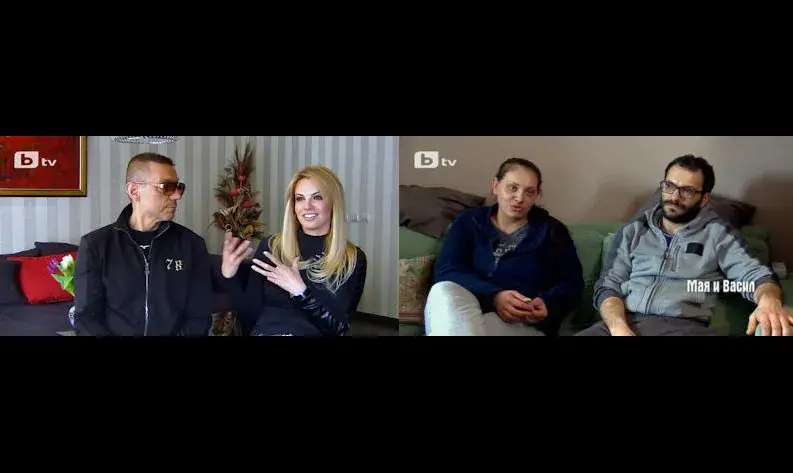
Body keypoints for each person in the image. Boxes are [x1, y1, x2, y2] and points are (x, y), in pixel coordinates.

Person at [578, 154, 792, 336]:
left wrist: (769, 301)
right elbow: (608, 287)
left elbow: (756, 277)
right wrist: (619, 328)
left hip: (683, 328)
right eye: (669, 186)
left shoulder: (718, 235)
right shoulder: (633, 231)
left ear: (704, 199)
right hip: (620, 326)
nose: (674, 197)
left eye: (687, 191)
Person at [424, 157, 584, 336]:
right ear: (495, 186)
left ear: (536, 195)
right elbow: (446, 270)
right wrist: (495, 296)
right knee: (443, 290)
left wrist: (548, 303)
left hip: (520, 323)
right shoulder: (469, 222)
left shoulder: (552, 231)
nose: (520, 198)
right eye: (512, 188)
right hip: (465, 312)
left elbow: (573, 284)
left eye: (529, 192)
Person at [73, 152, 212, 336]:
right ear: (134, 191)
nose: (177, 195)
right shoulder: (96, 246)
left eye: (179, 187)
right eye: (167, 187)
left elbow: (199, 317)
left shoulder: (192, 245)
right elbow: (86, 318)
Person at [220, 165, 367, 336]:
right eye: (300, 198)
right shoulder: (272, 247)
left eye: (317, 197)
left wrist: (301, 293)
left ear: (333, 202)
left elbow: (338, 329)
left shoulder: (352, 258)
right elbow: (249, 317)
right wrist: (229, 276)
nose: (307, 206)